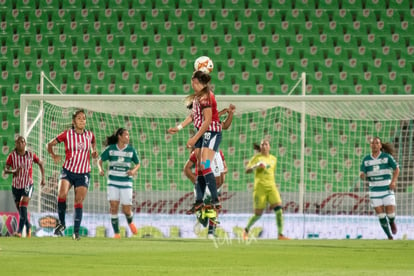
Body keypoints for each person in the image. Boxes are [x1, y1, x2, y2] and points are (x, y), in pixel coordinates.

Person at [168, 71, 222, 216]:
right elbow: (194, 116)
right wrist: (179, 127)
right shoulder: (199, 97)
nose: (191, 84)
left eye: (193, 82)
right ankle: (199, 201)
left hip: (210, 133)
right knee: (199, 167)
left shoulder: (206, 96)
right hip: (202, 133)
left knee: (205, 165)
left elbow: (208, 120)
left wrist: (194, 138)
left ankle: (215, 200)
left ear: (198, 82)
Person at [46, 109, 98, 240]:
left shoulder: (90, 135)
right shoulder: (67, 134)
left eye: (84, 118)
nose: (82, 120)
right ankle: (62, 224)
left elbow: (93, 143)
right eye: (79, 118)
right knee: (61, 194)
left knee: (78, 200)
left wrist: (93, 151)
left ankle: (76, 232)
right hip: (68, 171)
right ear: (74, 122)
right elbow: (50, 144)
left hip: (83, 173)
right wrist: (53, 155)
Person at [242, 139, 289, 240]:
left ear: (269, 147)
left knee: (279, 210)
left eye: (266, 144)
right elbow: (247, 170)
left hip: (272, 187)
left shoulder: (273, 159)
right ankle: (245, 230)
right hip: (260, 189)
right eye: (262, 144)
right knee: (258, 214)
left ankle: (280, 234)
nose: (264, 146)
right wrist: (256, 166)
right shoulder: (256, 158)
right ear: (260, 147)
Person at [98, 128, 141, 239]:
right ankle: (116, 233)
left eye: (128, 135)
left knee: (126, 209)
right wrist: (100, 169)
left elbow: (138, 164)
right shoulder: (111, 149)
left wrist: (133, 171)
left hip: (126, 182)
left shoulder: (131, 150)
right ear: (119, 136)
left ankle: (130, 222)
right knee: (114, 207)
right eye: (126, 135)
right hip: (112, 182)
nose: (128, 137)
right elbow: (100, 160)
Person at [3, 135, 45, 238]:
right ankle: (28, 226)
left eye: (22, 142)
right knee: (21, 210)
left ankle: (20, 231)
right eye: (18, 142)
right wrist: (13, 171)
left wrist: (43, 178)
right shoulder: (12, 156)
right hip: (16, 186)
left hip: (28, 185)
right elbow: (5, 169)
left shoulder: (30, 155)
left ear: (25, 144)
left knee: (22, 205)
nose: (20, 144)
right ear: (15, 144)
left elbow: (40, 163)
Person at [360, 136, 400, 240]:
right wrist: (362, 175)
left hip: (387, 189)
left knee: (390, 214)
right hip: (374, 191)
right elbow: (362, 172)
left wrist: (393, 181)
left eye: (377, 143)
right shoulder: (365, 159)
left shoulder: (387, 157)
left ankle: (392, 222)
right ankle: (389, 236)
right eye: (373, 143)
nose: (374, 145)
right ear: (370, 145)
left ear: (380, 145)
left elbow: (397, 169)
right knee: (381, 216)